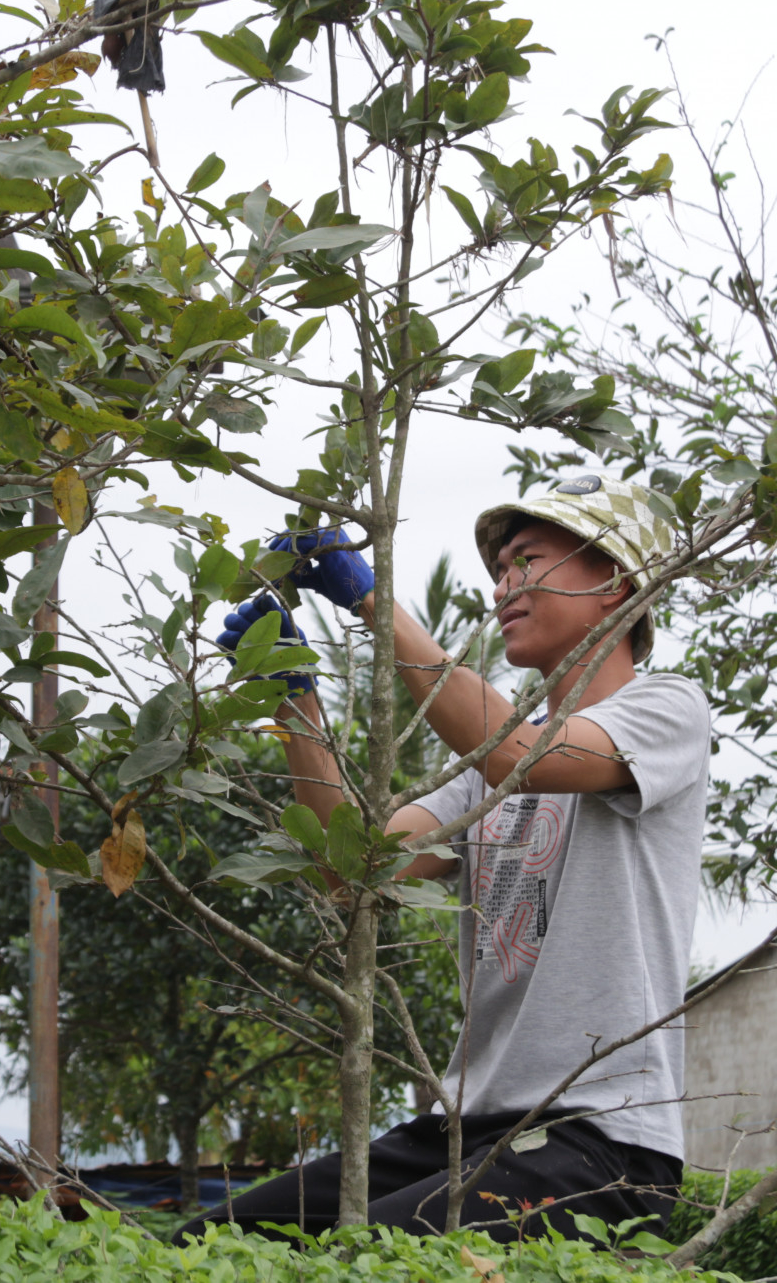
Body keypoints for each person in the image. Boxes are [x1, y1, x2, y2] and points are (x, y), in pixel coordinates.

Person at [182, 474, 708, 1243]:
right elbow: (354, 873)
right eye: (499, 570)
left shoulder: (666, 710)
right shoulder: (486, 765)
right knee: (219, 1241)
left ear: (614, 581)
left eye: (528, 559)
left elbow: (529, 756)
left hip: (601, 1145)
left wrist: (374, 603)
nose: (506, 584)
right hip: (466, 1131)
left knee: (357, 1256)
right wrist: (294, 702)